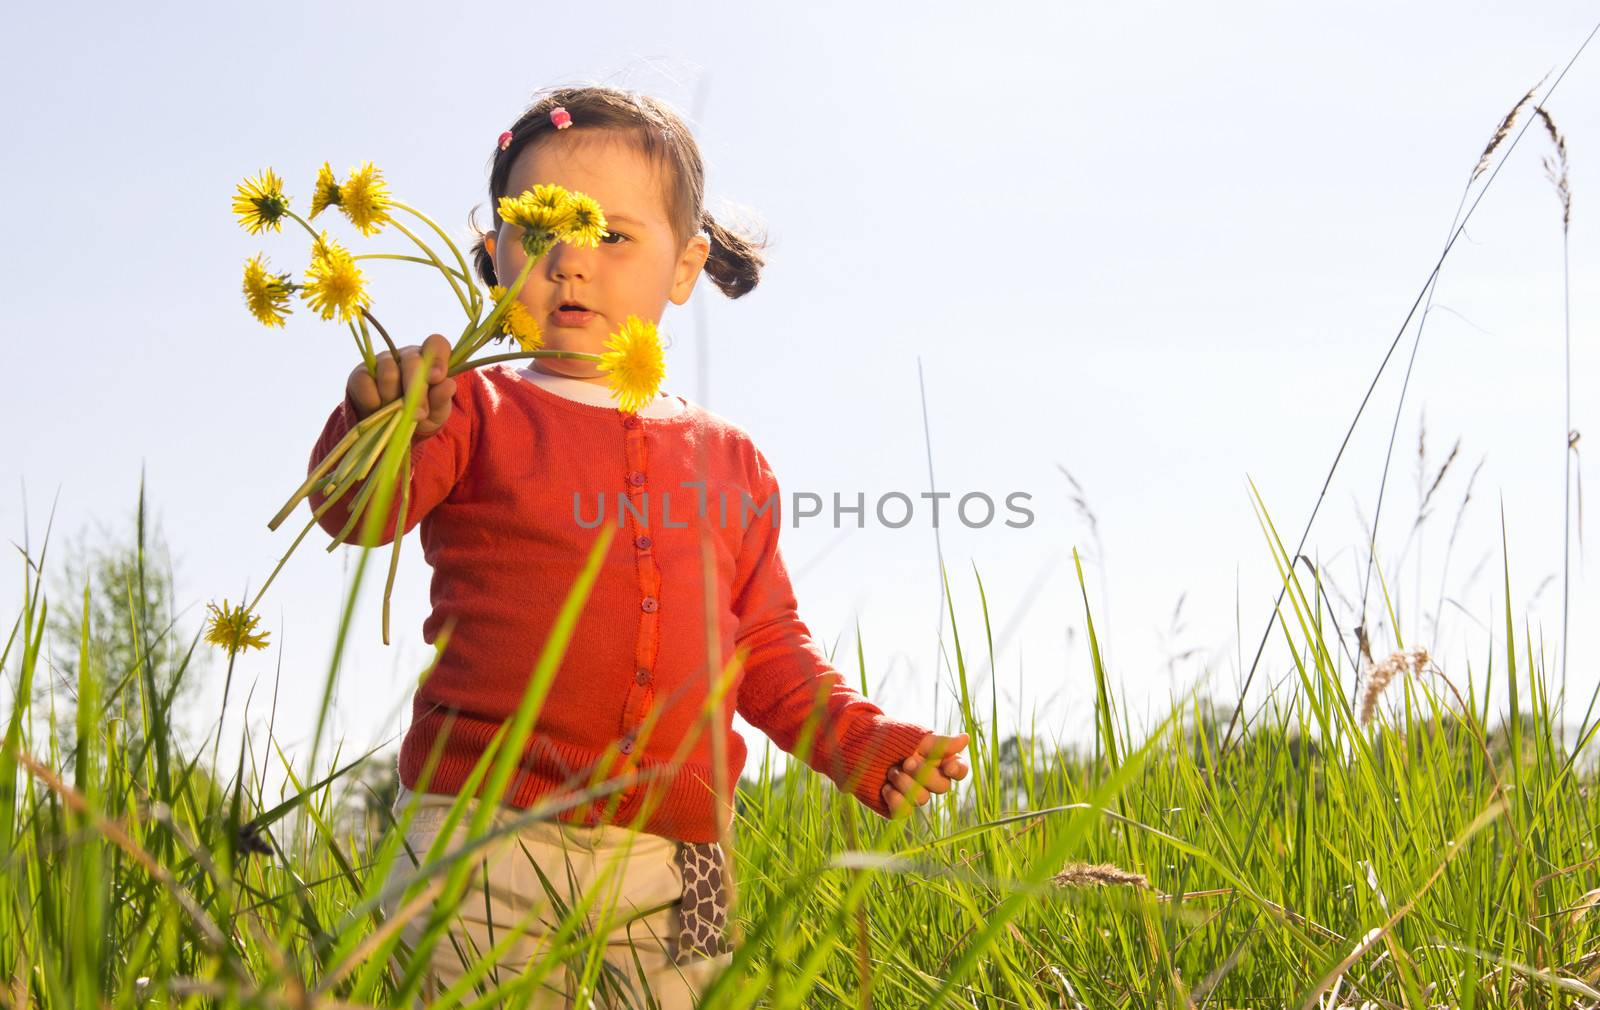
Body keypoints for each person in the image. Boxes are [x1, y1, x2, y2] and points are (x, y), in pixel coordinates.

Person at [305, 84, 971, 1008]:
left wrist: (862, 741)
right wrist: (379, 424)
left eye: (612, 236)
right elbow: (356, 513)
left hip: (681, 856)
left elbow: (766, 647)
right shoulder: (468, 408)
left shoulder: (729, 460)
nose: (571, 263)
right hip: (480, 836)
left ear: (685, 264)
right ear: (493, 256)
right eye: (538, 232)